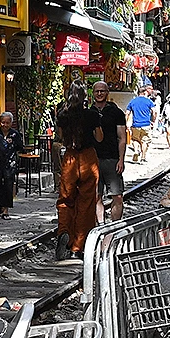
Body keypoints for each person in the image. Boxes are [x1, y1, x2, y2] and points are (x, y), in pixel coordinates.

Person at [55, 87, 103, 259]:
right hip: (88, 158)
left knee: (65, 199)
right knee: (86, 203)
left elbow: (61, 137)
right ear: (84, 96)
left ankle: (64, 233)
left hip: (70, 158)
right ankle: (78, 246)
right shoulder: (91, 114)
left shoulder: (63, 114)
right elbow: (99, 138)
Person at [92, 80, 129, 223]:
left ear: (107, 93)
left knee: (117, 195)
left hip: (112, 159)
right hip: (93, 160)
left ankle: (114, 226)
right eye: (97, 91)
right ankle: (100, 225)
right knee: (96, 196)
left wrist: (121, 159)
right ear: (93, 93)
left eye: (102, 91)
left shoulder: (116, 113)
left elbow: (122, 138)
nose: (99, 93)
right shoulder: (89, 113)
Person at [0, 110, 23, 217]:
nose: (4, 125)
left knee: (8, 186)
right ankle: (1, 207)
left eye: (7, 122)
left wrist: (16, 161)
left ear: (11, 123)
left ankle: (6, 210)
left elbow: (19, 149)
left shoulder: (15, 135)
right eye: (2, 122)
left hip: (9, 165)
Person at [126, 85, 155, 163]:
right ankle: (143, 157)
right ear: (144, 92)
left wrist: (126, 123)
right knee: (144, 141)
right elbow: (154, 111)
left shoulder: (132, 101)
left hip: (135, 124)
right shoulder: (148, 101)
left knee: (135, 139)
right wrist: (153, 120)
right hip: (146, 124)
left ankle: (136, 151)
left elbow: (127, 113)